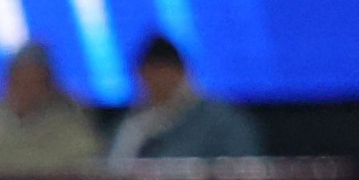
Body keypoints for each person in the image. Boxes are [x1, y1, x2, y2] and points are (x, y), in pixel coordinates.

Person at [0, 43, 101, 177]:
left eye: (37, 82)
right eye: (21, 80)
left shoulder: (72, 131)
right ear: (7, 82)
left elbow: (86, 175)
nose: (28, 90)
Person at [106, 36, 261, 169]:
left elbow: (243, 171)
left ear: (180, 72)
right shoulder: (129, 124)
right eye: (146, 73)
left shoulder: (222, 122)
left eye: (160, 71)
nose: (152, 80)